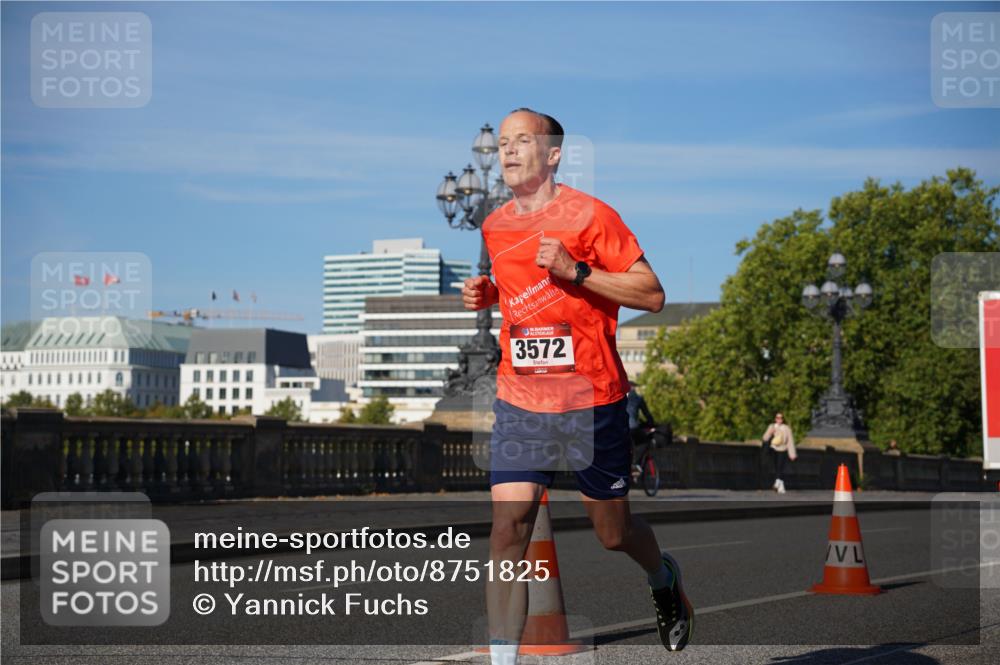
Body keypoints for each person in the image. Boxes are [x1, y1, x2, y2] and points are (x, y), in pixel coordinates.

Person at [463, 108, 692, 662]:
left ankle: (663, 577)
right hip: (520, 398)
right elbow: (519, 287)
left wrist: (578, 271)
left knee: (612, 533)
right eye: (504, 143)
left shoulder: (591, 216)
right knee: (506, 530)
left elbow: (652, 294)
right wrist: (491, 295)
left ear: (555, 154)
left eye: (523, 140)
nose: (509, 150)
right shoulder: (494, 226)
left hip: (592, 402)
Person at [762, 412, 796, 494]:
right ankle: (781, 486)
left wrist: (792, 454)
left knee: (780, 467)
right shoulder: (772, 426)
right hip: (773, 448)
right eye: (777, 418)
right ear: (775, 419)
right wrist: (771, 431)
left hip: (783, 449)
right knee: (776, 467)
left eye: (780, 418)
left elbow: (790, 441)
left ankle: (777, 482)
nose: (779, 419)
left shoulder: (786, 428)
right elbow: (765, 438)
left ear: (783, 419)